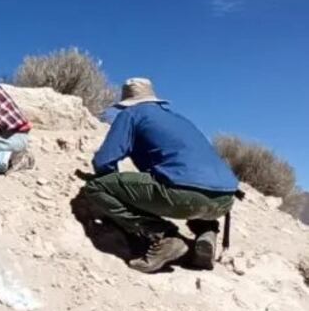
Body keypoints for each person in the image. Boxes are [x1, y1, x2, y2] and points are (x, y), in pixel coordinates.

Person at [80, 78, 239, 273]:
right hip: (224, 199)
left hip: (182, 194)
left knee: (97, 187)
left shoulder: (131, 114)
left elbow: (104, 161)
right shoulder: (179, 119)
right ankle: (206, 233)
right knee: (194, 189)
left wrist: (117, 190)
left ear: (127, 102)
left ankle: (164, 237)